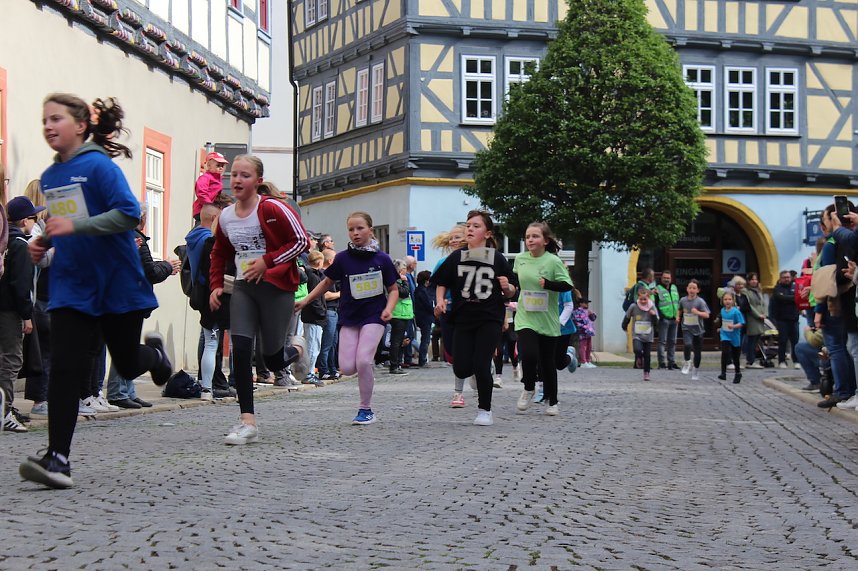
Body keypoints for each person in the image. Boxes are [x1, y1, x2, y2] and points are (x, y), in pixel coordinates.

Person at [19, 94, 173, 489]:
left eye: (57, 119)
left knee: (126, 359)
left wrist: (75, 228)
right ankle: (58, 459)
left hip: (116, 281)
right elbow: (63, 225)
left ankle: (154, 356)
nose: (48, 126)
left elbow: (127, 213)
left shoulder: (99, 167)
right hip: (73, 286)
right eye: (44, 120)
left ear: (81, 125)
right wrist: (44, 245)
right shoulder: (51, 177)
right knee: (66, 369)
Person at [209, 154, 310, 445]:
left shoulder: (273, 208)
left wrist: (268, 261)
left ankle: (297, 350)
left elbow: (302, 241)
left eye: (245, 175)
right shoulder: (226, 216)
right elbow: (220, 253)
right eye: (234, 175)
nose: (237, 180)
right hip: (244, 287)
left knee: (272, 357)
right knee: (241, 349)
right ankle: (247, 421)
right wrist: (217, 286)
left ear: (258, 181)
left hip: (276, 288)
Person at [296, 211, 399, 425]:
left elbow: (393, 289)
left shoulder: (382, 259)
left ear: (371, 230)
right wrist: (305, 300)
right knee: (347, 368)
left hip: (374, 316)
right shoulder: (343, 258)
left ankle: (366, 409)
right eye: (351, 229)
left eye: (360, 228)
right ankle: (364, 369)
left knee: (362, 361)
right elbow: (325, 283)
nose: (355, 233)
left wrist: (389, 308)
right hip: (350, 316)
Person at [432, 210, 518, 426]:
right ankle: (478, 371)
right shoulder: (457, 257)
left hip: (489, 317)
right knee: (461, 368)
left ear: (487, 233)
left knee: (481, 364)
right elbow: (442, 281)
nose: (470, 229)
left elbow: (511, 290)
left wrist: (507, 288)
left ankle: (484, 410)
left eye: (476, 226)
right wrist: (440, 300)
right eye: (468, 225)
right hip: (463, 317)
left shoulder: (497, 258)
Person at [105, 206, 180, 408]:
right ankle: (119, 391)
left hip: (122, 299)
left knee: (125, 347)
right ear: (143, 218)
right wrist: (167, 266)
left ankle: (127, 390)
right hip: (126, 300)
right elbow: (150, 272)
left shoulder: (123, 237)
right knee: (123, 348)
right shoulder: (132, 237)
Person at [511, 222, 572, 415]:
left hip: (547, 319)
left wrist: (548, 284)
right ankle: (528, 387)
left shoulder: (552, 261)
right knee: (528, 355)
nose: (530, 240)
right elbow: (514, 282)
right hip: (525, 317)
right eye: (528, 236)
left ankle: (552, 401)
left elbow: (567, 285)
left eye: (535, 236)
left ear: (545, 240)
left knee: (548, 362)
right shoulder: (520, 259)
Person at [181, 203, 231, 402]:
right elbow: (212, 270)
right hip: (213, 294)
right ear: (213, 219)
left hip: (201, 293)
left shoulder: (194, 237)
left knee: (209, 341)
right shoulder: (208, 241)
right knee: (212, 343)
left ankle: (208, 385)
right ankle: (208, 387)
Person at [1, 197, 39, 432]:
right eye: (34, 217)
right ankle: (4, 410)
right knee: (11, 360)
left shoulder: (5, 241)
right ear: (25, 220)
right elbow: (21, 285)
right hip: (10, 311)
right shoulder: (19, 245)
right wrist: (26, 315)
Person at [431, 224, 472, 407]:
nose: (454, 241)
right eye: (452, 238)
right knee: (453, 351)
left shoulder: (476, 260)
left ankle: (458, 393)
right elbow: (436, 286)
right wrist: (438, 304)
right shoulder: (443, 263)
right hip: (449, 312)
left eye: (458, 237)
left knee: (468, 350)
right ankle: (476, 368)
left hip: (470, 311)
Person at [300, 250, 327, 386]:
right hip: (314, 317)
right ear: (319, 262)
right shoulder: (314, 277)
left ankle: (309, 373)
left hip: (311, 316)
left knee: (313, 345)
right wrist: (322, 313)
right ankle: (308, 374)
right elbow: (315, 299)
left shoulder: (311, 275)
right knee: (313, 347)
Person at [622, 285, 658, 381]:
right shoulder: (634, 306)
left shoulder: (652, 307)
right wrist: (624, 326)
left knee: (647, 355)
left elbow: (656, 322)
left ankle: (646, 373)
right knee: (637, 349)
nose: (642, 301)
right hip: (637, 335)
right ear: (638, 297)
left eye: (645, 299)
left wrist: (653, 316)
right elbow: (627, 317)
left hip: (648, 335)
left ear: (648, 298)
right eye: (641, 299)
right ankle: (639, 357)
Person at [679, 279, 710, 381]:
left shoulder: (700, 302)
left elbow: (707, 315)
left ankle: (695, 370)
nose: (691, 290)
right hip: (686, 327)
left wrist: (697, 312)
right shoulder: (683, 300)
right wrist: (677, 317)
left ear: (698, 290)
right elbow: (679, 309)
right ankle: (687, 362)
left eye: (694, 288)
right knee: (687, 344)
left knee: (697, 352)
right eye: (690, 288)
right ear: (687, 289)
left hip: (698, 330)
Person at [317, 248, 340, 380]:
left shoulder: (331, 275)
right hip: (329, 311)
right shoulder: (324, 275)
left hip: (334, 312)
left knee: (333, 343)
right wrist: (341, 294)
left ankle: (332, 369)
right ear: (330, 260)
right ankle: (323, 370)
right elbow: (326, 295)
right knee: (327, 343)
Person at [388, 259, 413, 375]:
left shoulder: (397, 280)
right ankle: (394, 365)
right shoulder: (396, 281)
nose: (405, 272)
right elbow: (404, 292)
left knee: (399, 340)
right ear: (400, 270)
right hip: (398, 313)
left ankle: (397, 363)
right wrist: (405, 281)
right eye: (404, 270)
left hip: (401, 313)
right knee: (396, 341)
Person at [770, 270, 800, 369]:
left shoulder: (795, 287)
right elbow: (779, 298)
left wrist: (790, 298)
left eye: (788, 277)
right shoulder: (777, 288)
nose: (787, 279)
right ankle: (781, 361)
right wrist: (792, 298)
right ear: (781, 278)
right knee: (782, 341)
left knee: (795, 342)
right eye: (785, 277)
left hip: (794, 319)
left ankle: (796, 361)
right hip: (782, 320)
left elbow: (798, 298)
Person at [717, 290, 744, 384]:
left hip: (734, 336)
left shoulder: (736, 312)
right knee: (725, 352)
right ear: (722, 301)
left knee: (735, 356)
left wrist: (734, 326)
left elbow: (741, 323)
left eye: (729, 299)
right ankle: (723, 373)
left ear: (733, 300)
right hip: (725, 335)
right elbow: (724, 322)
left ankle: (738, 373)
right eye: (725, 299)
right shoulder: (722, 311)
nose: (727, 301)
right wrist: (721, 328)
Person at [192, 151, 229, 223]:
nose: (221, 168)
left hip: (211, 210)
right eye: (218, 165)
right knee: (201, 228)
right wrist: (209, 205)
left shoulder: (217, 179)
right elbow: (201, 193)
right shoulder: (205, 177)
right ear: (209, 166)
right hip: (202, 210)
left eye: (222, 165)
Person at [655, 270, 681, 370]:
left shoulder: (674, 288)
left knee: (673, 341)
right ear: (661, 278)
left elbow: (677, 303)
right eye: (665, 278)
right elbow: (655, 304)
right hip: (664, 319)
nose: (666, 279)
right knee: (662, 342)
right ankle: (662, 363)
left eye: (668, 278)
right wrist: (660, 316)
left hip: (674, 319)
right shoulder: (657, 289)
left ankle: (671, 362)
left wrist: (678, 316)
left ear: (671, 279)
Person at [743, 272, 767, 369]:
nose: (754, 281)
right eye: (752, 279)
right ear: (748, 281)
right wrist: (758, 315)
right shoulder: (746, 292)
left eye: (755, 279)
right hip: (752, 318)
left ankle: (753, 359)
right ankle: (750, 360)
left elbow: (763, 304)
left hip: (761, 318)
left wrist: (765, 313)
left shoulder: (758, 291)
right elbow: (749, 306)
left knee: (757, 339)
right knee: (751, 340)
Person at [413, 270, 435, 367]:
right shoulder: (423, 291)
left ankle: (423, 359)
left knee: (425, 338)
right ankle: (422, 360)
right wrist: (434, 311)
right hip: (425, 317)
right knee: (425, 339)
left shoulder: (418, 290)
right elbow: (428, 305)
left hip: (421, 317)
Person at [573, 300, 597, 368]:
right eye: (585, 303)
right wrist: (583, 327)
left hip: (589, 331)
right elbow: (577, 320)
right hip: (583, 330)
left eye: (587, 303)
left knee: (589, 346)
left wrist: (591, 314)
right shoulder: (577, 311)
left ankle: (588, 360)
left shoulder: (587, 311)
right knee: (583, 346)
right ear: (580, 303)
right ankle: (583, 361)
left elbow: (593, 319)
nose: (586, 304)